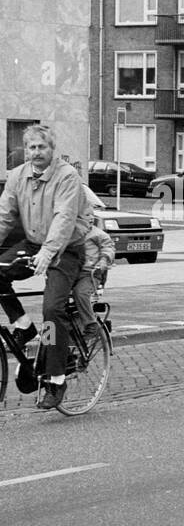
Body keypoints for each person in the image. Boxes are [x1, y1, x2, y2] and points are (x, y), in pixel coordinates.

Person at [0, 125, 90, 410]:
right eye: (31, 148)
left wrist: (49, 252)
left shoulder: (67, 177)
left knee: (52, 309)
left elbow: (64, 218)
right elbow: (4, 216)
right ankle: (24, 327)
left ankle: (56, 378)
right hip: (35, 242)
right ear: (25, 150)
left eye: (41, 147)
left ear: (52, 149)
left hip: (66, 249)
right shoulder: (17, 176)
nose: (36, 153)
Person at [74, 185, 114, 329]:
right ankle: (52, 340)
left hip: (89, 273)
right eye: (86, 216)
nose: (90, 219)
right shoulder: (69, 233)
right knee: (52, 303)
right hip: (70, 272)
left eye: (92, 216)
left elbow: (108, 248)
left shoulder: (98, 234)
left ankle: (90, 323)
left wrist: (103, 261)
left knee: (81, 293)